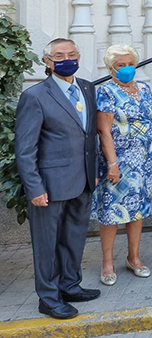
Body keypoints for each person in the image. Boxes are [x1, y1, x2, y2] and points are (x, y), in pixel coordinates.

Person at [15, 38, 100, 319]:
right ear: (47, 62)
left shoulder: (87, 88)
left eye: (72, 54)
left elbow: (90, 137)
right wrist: (34, 187)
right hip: (49, 185)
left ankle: (70, 285)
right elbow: (25, 149)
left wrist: (95, 172)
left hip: (83, 181)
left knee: (74, 238)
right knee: (47, 244)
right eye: (59, 55)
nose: (67, 59)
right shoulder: (35, 96)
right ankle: (49, 298)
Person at [93, 44, 152, 286]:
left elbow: (149, 121)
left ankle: (134, 257)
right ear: (111, 68)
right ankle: (107, 262)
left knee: (137, 209)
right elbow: (103, 130)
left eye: (131, 63)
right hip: (117, 162)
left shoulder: (144, 88)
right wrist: (112, 163)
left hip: (142, 160)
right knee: (111, 212)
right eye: (121, 65)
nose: (127, 68)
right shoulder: (106, 92)